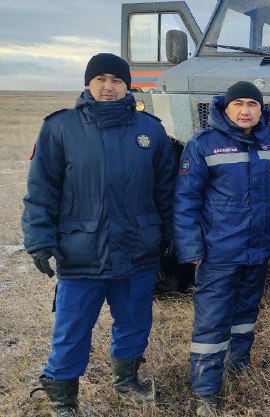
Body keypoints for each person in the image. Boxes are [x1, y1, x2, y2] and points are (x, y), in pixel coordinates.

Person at [22, 53, 176, 416]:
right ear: (88, 84)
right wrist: (39, 240)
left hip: (138, 249)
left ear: (128, 85)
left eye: (117, 80)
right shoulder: (60, 128)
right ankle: (62, 396)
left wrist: (170, 233)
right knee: (72, 328)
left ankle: (127, 381)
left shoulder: (150, 130)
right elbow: (41, 190)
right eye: (101, 79)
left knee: (135, 320)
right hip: (81, 252)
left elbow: (167, 191)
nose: (109, 87)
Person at [174, 81, 270, 415]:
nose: (245, 111)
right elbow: (185, 201)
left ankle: (238, 369)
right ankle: (205, 392)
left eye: (252, 105)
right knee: (212, 321)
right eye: (238, 104)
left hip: (258, 251)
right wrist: (191, 247)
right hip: (218, 252)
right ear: (225, 108)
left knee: (245, 315)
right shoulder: (204, 145)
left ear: (260, 109)